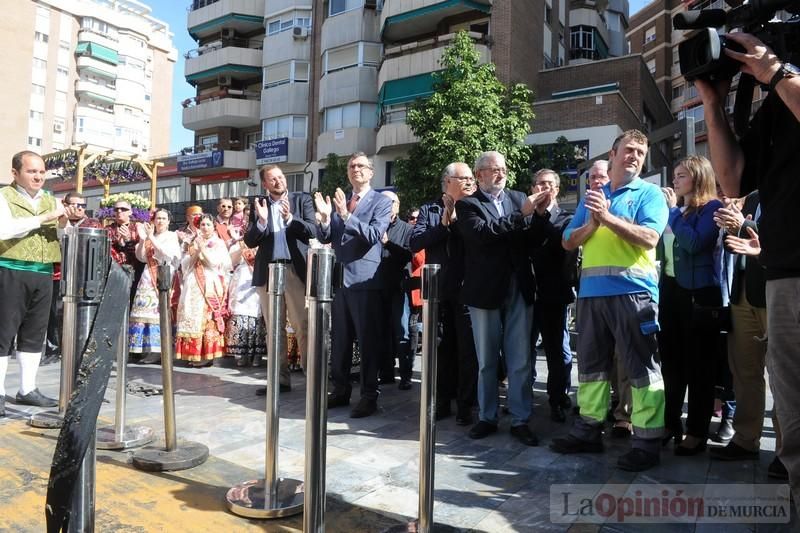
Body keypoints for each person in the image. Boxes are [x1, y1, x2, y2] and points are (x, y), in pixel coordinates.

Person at [695, 31, 799, 499]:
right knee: (795, 420)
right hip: (783, 273)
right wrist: (713, 106)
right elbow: (732, 177)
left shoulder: (782, 79)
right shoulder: (777, 102)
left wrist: (775, 72)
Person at [552, 130, 668, 471]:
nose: (634, 156)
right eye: (628, 150)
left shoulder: (649, 194)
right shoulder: (595, 196)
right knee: (590, 368)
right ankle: (589, 430)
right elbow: (568, 242)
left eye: (640, 153)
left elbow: (649, 237)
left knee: (642, 369)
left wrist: (608, 219)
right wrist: (593, 222)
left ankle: (647, 442)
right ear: (613, 154)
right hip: (591, 296)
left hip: (634, 294)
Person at [456, 151, 543, 447]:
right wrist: (523, 216)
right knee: (487, 360)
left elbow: (533, 240)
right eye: (494, 169)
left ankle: (520, 419)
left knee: (520, 359)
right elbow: (483, 234)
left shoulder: (519, 198)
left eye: (504, 168)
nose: (501, 173)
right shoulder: (467, 204)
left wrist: (539, 215)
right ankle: (487, 417)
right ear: (479, 175)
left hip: (519, 286)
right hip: (484, 291)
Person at [711, 191, 787, 478]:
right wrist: (731, 230)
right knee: (744, 372)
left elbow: (783, 239)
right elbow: (740, 244)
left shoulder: (788, 189)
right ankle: (745, 439)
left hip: (777, 294)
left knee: (783, 377)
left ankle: (786, 451)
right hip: (742, 294)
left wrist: (743, 226)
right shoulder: (755, 196)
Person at [315, 152, 393, 418]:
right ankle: (340, 390)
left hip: (365, 281)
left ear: (371, 172)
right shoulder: (342, 201)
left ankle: (369, 395)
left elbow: (373, 235)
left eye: (361, 166)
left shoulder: (380, 202)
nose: (355, 169)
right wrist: (326, 219)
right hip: (340, 280)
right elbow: (328, 237)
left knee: (367, 340)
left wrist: (347, 216)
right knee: (340, 340)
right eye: (351, 166)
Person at [0, 151, 77, 416]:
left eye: (42, 172)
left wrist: (64, 223)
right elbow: (4, 230)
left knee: (35, 334)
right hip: (10, 269)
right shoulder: (3, 197)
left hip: (44, 272)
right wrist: (43, 218)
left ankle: (27, 389)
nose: (38, 176)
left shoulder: (49, 199)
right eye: (32, 171)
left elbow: (60, 235)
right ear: (15, 173)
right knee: (3, 334)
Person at [658, 156, 724, 455]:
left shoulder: (713, 208)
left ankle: (697, 432)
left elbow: (696, 244)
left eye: (681, 175)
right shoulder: (677, 211)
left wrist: (672, 213)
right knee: (671, 363)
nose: (674, 180)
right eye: (674, 175)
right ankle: (670, 423)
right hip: (671, 291)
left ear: (697, 177)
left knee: (699, 366)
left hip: (700, 295)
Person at [411, 163, 478, 425]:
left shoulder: (475, 207)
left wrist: (459, 217)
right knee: (440, 347)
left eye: (472, 178)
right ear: (449, 180)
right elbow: (416, 242)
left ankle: (466, 405)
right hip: (438, 288)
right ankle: (440, 401)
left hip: (467, 287)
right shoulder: (430, 209)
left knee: (467, 348)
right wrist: (444, 223)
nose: (470, 182)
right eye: (465, 178)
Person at [244, 165, 316, 392]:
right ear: (265, 184)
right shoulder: (259, 205)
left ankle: (312, 377)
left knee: (303, 325)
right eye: (272, 179)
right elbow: (250, 240)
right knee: (274, 330)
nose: (278, 181)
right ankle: (279, 380)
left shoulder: (301, 200)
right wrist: (262, 222)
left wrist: (291, 218)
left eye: (281, 177)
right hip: (268, 273)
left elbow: (312, 230)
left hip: (294, 271)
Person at [527, 169, 577, 423]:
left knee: (556, 351)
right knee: (524, 350)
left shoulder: (567, 218)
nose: (544, 188)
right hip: (527, 294)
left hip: (554, 295)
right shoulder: (526, 218)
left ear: (557, 189)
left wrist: (541, 217)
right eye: (539, 184)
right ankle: (524, 396)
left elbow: (558, 246)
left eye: (549, 184)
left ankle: (557, 399)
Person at [174, 214, 231, 366]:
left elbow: (215, 263)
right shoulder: (193, 242)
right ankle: (193, 353)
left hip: (209, 282)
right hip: (193, 281)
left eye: (208, 224)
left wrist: (201, 250)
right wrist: (194, 250)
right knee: (190, 313)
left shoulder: (218, 243)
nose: (205, 227)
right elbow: (185, 264)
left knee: (207, 317)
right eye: (203, 225)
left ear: (213, 226)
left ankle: (207, 355)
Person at [128, 209, 181, 364]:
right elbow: (141, 257)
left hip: (163, 276)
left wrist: (151, 237)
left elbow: (167, 255)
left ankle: (159, 350)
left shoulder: (171, 236)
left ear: (169, 221)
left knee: (158, 312)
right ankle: (146, 348)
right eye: (158, 218)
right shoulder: (150, 236)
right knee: (143, 311)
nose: (160, 221)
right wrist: (143, 240)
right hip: (147, 275)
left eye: (164, 218)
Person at [377, 191, 414, 389]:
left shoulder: (407, 229)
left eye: (391, 202)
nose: (387, 205)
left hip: (398, 287)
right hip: (376, 286)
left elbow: (409, 255)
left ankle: (406, 375)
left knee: (402, 332)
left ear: (398, 206)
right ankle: (386, 372)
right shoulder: (374, 225)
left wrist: (387, 244)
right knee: (381, 332)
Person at [225, 238, 267, 368]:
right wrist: (240, 247)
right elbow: (230, 262)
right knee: (240, 315)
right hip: (241, 280)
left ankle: (257, 354)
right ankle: (241, 354)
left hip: (259, 279)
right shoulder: (239, 243)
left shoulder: (264, 241)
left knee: (258, 318)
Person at [106, 199, 144, 306]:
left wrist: (128, 241)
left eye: (123, 209)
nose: (119, 211)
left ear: (130, 212)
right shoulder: (108, 229)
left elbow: (141, 254)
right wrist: (119, 244)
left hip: (134, 273)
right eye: (116, 209)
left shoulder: (137, 228)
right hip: (113, 273)